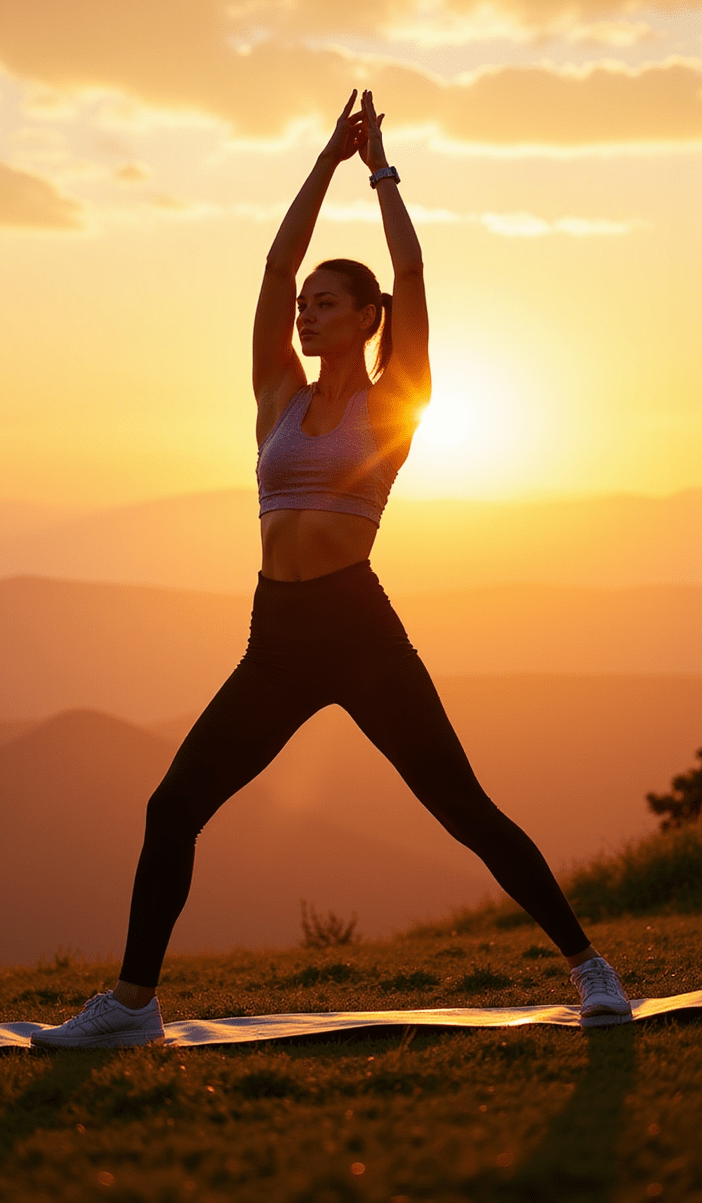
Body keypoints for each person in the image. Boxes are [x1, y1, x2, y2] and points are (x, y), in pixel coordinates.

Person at [31, 91, 631, 1049]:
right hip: (277, 637)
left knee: (461, 805)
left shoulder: (400, 394)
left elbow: (412, 267)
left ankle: (592, 969)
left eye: (326, 304)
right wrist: (324, 156)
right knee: (174, 806)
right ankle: (132, 1005)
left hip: (358, 631)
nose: (306, 316)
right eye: (304, 306)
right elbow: (274, 263)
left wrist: (380, 171)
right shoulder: (277, 394)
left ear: (364, 318)